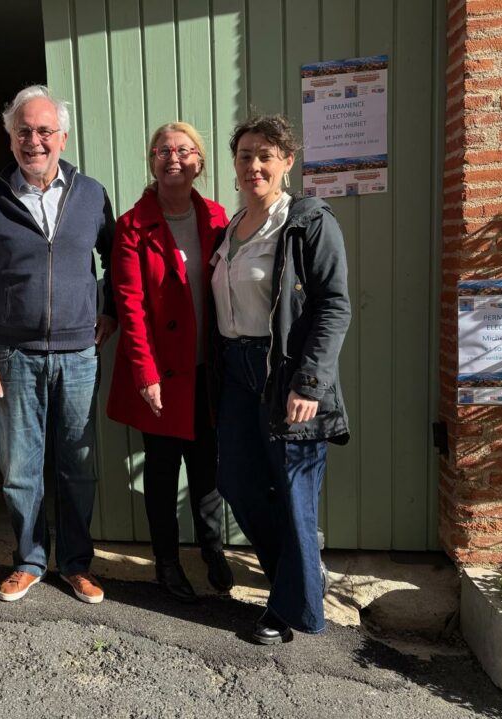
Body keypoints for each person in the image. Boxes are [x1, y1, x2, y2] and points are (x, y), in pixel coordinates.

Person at [0, 85, 116, 604]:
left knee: (76, 465)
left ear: (62, 137)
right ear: (10, 139)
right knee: (20, 468)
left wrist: (110, 310)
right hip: (14, 356)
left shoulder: (91, 193)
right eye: (23, 131)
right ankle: (29, 559)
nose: (35, 140)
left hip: (78, 354)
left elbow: (116, 258)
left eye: (44, 131)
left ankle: (75, 564)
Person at [212, 114, 350, 644]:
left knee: (294, 492)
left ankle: (290, 608)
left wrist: (309, 382)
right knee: (238, 483)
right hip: (236, 371)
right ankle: (300, 578)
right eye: (246, 155)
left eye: (266, 155)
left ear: (287, 162)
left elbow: (333, 306)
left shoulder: (307, 221)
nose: (254, 165)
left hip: (286, 373)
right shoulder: (232, 226)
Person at [107, 122, 233, 602]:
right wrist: (145, 374)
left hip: (208, 371)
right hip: (160, 374)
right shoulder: (132, 225)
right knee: (162, 475)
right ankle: (166, 562)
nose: (173, 157)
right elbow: (130, 305)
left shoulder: (219, 218)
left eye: (183, 150)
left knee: (207, 469)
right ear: (152, 161)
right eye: (162, 149)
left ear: (199, 161)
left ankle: (212, 548)